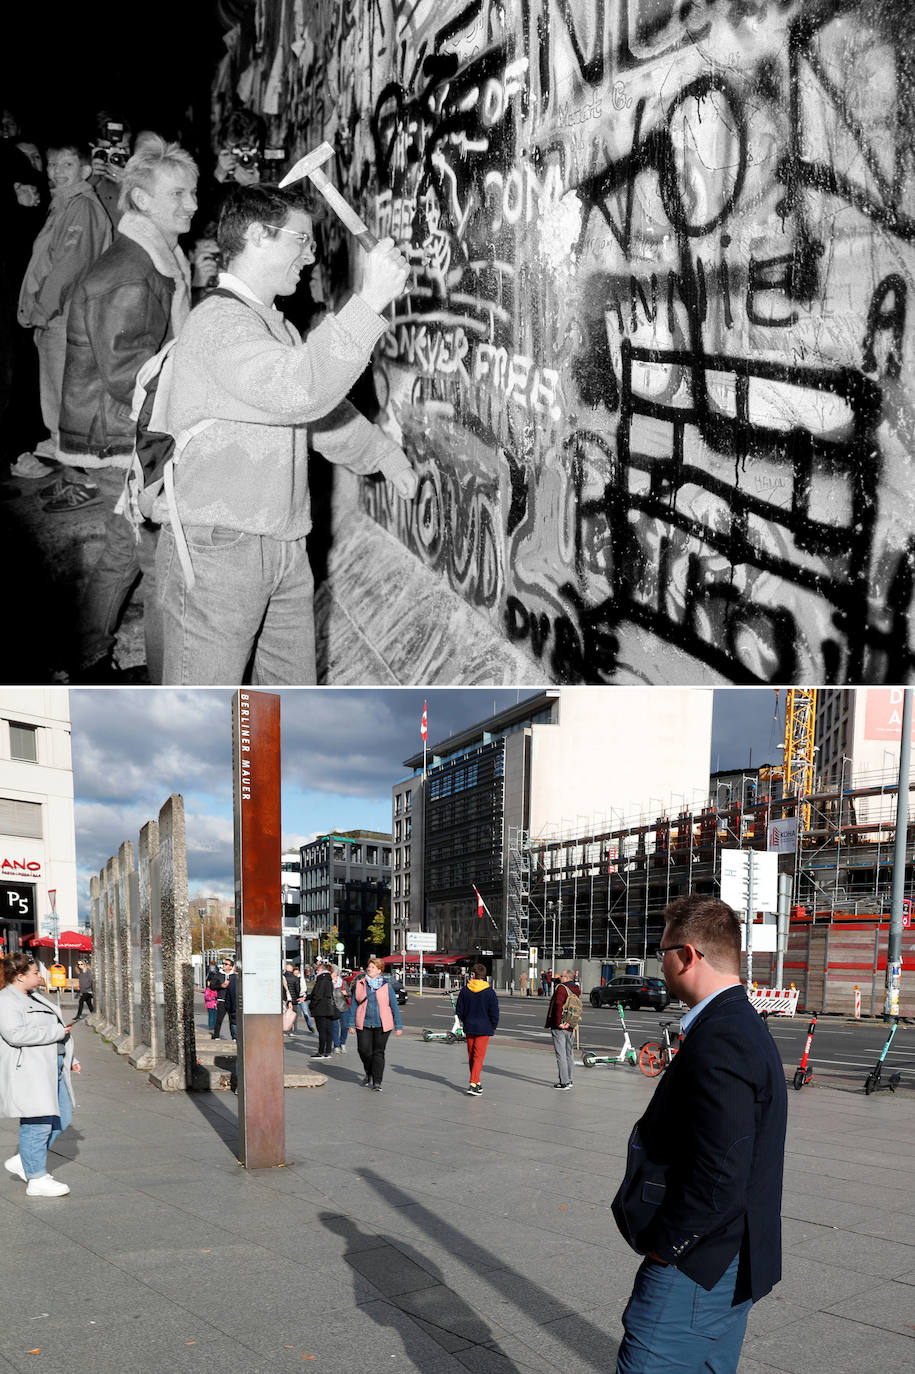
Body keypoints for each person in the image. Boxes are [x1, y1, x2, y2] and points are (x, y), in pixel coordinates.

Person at [153, 182, 416, 685]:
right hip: (220, 551)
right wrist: (370, 301)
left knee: (286, 706)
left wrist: (382, 454)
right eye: (301, 239)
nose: (310, 255)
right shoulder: (218, 324)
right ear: (257, 235)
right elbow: (298, 391)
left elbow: (313, 416)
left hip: (284, 545)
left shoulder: (275, 326)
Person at [612, 895, 788, 1374]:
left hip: (698, 1265)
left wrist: (668, 1247)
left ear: (687, 955)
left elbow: (723, 1167)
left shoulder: (722, 1035)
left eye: (661, 951)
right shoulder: (742, 1023)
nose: (659, 962)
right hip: (732, 1258)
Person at [58, 135, 197, 679]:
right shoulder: (130, 273)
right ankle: (169, 682)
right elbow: (128, 379)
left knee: (122, 550)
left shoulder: (151, 258)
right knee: (158, 564)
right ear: (140, 201)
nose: (191, 205)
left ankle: (85, 653)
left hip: (122, 432)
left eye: (192, 193)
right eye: (178, 195)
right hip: (124, 437)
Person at [16, 140, 110, 483]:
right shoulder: (63, 203)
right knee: (57, 401)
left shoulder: (81, 207)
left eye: (66, 165)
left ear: (85, 170)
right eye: (53, 164)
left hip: (63, 318)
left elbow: (67, 267)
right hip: (58, 317)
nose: (57, 170)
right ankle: (74, 476)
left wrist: (40, 312)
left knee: (65, 402)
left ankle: (82, 480)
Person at [0, 951, 81, 1197]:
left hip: (52, 1065)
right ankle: (36, 1177)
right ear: (20, 976)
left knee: (63, 1116)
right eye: (35, 973)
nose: (40, 976)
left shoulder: (34, 996)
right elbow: (15, 1035)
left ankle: (25, 1160)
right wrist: (57, 1033)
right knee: (38, 1124)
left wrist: (69, 1058)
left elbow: (56, 1029)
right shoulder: (6, 1000)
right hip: (30, 1071)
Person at [343, 956, 403, 1092]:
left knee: (378, 1053)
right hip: (363, 1023)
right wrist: (350, 1023)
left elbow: (394, 1006)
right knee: (363, 1050)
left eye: (373, 967)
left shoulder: (386, 986)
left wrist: (398, 1026)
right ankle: (369, 1072)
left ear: (379, 970)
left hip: (382, 1024)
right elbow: (353, 1004)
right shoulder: (360, 984)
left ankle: (377, 1082)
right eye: (369, 967)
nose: (369, 969)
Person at [455, 963, 499, 1095]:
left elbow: (459, 1010)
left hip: (469, 1026)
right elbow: (494, 1012)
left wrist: (465, 1020)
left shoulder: (465, 990)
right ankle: (473, 1083)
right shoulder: (490, 991)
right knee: (479, 1056)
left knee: (471, 1055)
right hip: (484, 1028)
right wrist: (493, 1026)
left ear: (473, 975)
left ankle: (477, 1081)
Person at [545, 969, 579, 1090]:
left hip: (560, 1025)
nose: (560, 978)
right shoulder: (576, 989)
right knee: (569, 1053)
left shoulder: (561, 988)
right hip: (570, 1024)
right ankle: (569, 1080)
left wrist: (559, 1022)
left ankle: (563, 1082)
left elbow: (558, 1004)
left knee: (561, 1054)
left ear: (567, 978)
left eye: (562, 976)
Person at [308, 960, 339, 1059]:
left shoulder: (322, 980)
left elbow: (318, 995)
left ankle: (321, 1052)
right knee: (328, 1031)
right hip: (328, 1009)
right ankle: (327, 1051)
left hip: (320, 1009)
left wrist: (311, 1005)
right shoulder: (329, 980)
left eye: (318, 969)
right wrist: (307, 997)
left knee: (322, 1031)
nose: (316, 971)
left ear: (322, 970)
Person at [211, 958, 234, 1039]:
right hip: (222, 1000)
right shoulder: (218, 975)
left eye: (226, 964)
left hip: (232, 1001)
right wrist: (221, 986)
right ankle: (216, 1036)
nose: (224, 965)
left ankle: (234, 1037)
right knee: (219, 1019)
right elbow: (212, 986)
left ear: (231, 967)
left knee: (232, 1020)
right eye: (223, 963)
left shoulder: (234, 976)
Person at [331, 966, 350, 1053]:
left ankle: (343, 1043)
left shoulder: (343, 982)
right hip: (333, 1007)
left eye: (331, 972)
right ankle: (336, 1045)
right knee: (335, 1027)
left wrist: (347, 993)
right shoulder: (328, 983)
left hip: (343, 1007)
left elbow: (350, 994)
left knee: (345, 1026)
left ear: (335, 973)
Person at [282, 961, 300, 1037]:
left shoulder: (282, 977)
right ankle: (292, 1030)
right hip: (293, 999)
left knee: (285, 1014)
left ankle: (284, 1029)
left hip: (284, 999)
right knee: (293, 1015)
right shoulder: (295, 978)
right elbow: (297, 989)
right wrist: (296, 997)